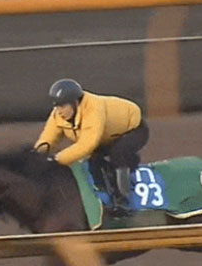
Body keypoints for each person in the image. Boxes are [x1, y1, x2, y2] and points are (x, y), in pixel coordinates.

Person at [34, 78, 149, 216]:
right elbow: (47, 140)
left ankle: (123, 201)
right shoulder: (57, 116)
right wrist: (35, 156)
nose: (59, 111)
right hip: (106, 136)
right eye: (56, 106)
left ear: (75, 103)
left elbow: (87, 145)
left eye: (63, 106)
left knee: (118, 153)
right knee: (93, 161)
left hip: (134, 130)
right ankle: (106, 196)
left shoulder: (93, 108)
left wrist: (56, 160)